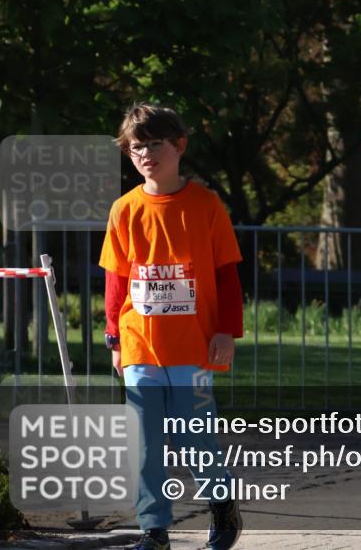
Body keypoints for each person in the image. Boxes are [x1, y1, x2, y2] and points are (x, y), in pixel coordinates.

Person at [100, 103, 244, 550]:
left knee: (195, 437)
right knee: (145, 444)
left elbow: (227, 274)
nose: (145, 154)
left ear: (179, 146)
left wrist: (226, 330)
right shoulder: (124, 210)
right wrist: (113, 338)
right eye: (135, 147)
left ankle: (222, 510)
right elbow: (116, 280)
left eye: (154, 144)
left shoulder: (205, 205)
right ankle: (154, 529)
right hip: (140, 344)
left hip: (193, 346)